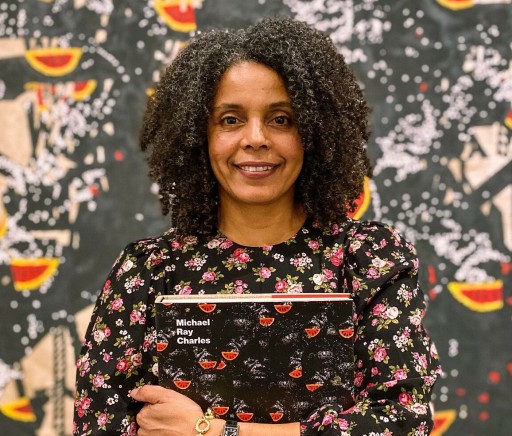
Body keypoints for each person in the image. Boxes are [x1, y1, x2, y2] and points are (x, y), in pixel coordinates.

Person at [73, 17, 441, 436]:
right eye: (230, 119)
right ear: (198, 135)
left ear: (314, 133)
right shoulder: (147, 271)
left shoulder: (369, 260)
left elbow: (401, 423)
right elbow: (98, 426)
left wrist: (211, 430)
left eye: (281, 119)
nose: (255, 138)